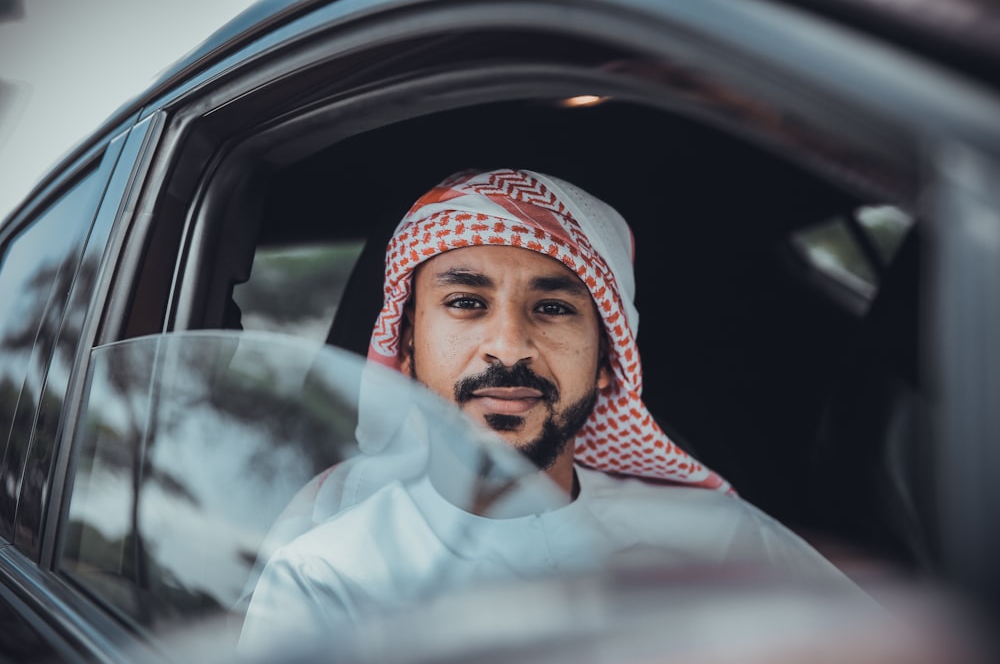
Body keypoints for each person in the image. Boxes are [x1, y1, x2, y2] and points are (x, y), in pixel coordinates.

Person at [238, 168, 865, 650]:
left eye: (554, 307)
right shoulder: (330, 579)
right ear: (404, 347)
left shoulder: (720, 539)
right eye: (465, 303)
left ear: (603, 358)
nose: (509, 345)